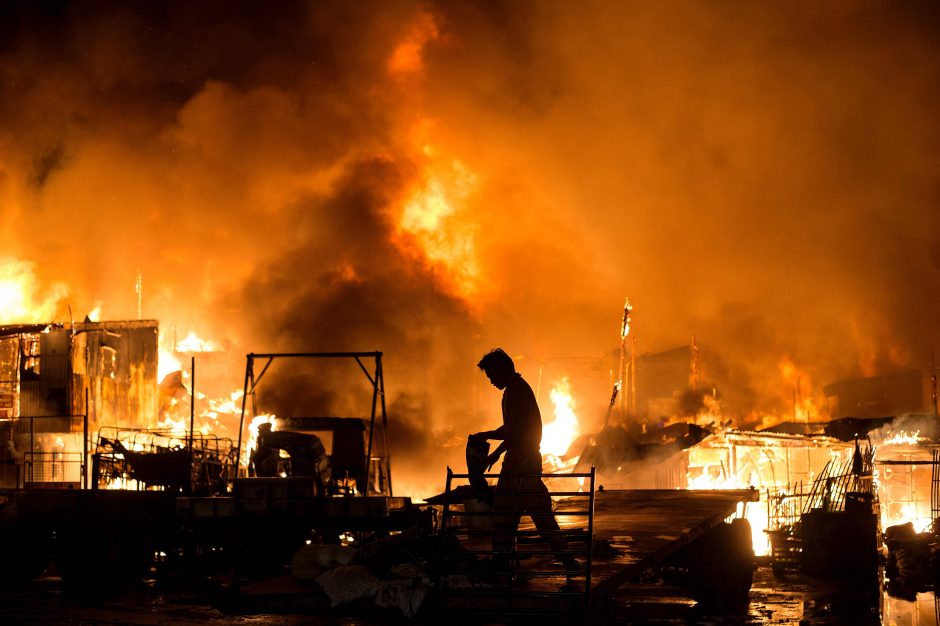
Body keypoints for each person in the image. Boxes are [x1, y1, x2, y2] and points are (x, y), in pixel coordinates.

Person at [471, 348, 579, 579]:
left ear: (503, 369)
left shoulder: (516, 392)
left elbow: (515, 432)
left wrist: (490, 444)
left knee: (504, 515)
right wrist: (493, 445)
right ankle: (566, 559)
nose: (491, 381)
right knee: (537, 514)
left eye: (491, 375)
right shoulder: (516, 390)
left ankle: (503, 561)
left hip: (520, 464)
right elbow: (514, 431)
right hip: (525, 462)